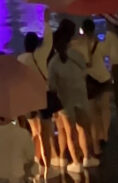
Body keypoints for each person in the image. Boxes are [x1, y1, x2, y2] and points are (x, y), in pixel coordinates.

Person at [47, 20, 98, 174]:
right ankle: (87, 158)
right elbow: (84, 72)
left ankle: (75, 162)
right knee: (83, 129)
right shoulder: (76, 55)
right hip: (80, 95)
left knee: (70, 132)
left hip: (64, 100)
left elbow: (52, 86)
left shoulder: (54, 63)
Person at [17, 31, 58, 173]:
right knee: (44, 134)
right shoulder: (39, 56)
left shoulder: (20, 59)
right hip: (42, 96)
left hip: (27, 99)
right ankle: (47, 168)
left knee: (34, 132)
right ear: (36, 44)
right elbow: (49, 41)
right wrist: (46, 21)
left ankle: (36, 164)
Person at [79, 19, 112, 151]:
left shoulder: (79, 46)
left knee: (93, 114)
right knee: (105, 109)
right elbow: (107, 55)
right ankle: (105, 135)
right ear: (93, 30)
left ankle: (96, 144)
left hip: (88, 82)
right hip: (103, 78)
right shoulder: (100, 44)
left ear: (82, 30)